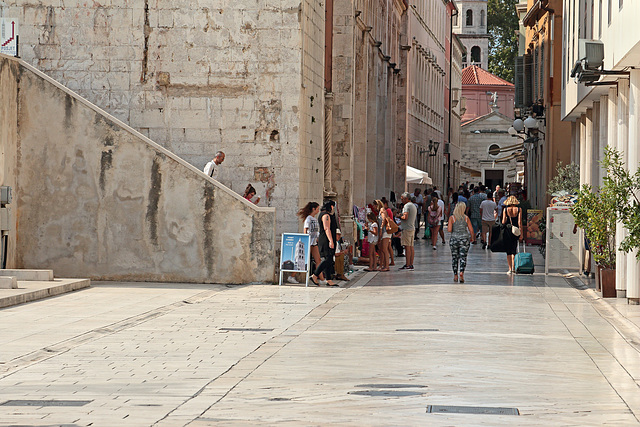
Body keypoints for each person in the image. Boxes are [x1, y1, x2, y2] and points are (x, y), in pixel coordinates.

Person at [310, 201, 339, 286]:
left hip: (327, 239)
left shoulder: (324, 214)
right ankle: (315, 275)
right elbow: (327, 228)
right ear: (331, 207)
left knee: (329, 260)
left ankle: (328, 279)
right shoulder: (326, 215)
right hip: (326, 240)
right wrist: (331, 241)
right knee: (328, 259)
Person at [448, 202, 475, 283]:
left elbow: (449, 230)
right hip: (464, 239)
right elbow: (471, 230)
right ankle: (461, 273)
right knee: (463, 257)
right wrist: (472, 238)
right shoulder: (466, 218)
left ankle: (455, 275)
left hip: (454, 239)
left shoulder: (452, 218)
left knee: (454, 258)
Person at [297, 202, 324, 284]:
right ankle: (292, 275)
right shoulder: (308, 219)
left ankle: (321, 279)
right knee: (302, 259)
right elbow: (306, 229)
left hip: (314, 242)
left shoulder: (315, 219)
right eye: (317, 208)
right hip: (308, 242)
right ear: (313, 209)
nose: (318, 210)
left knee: (318, 260)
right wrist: (305, 239)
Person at [502, 195, 523, 274]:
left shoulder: (505, 209)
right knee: (514, 249)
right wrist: (521, 234)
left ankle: (510, 268)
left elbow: (503, 222)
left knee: (508, 250)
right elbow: (519, 222)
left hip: (508, 230)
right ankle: (514, 268)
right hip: (516, 231)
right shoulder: (519, 209)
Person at [399, 192, 417, 270]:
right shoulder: (413, 205)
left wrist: (399, 216)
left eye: (402, 199)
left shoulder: (406, 206)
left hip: (406, 229)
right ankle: (411, 263)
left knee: (407, 247)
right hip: (412, 228)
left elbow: (405, 217)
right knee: (411, 246)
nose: (401, 200)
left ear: (406, 199)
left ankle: (407, 264)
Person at [375, 200, 392, 272]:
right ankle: (383, 265)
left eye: (374, 205)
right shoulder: (380, 211)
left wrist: (381, 229)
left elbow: (384, 219)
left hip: (385, 231)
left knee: (385, 249)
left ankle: (387, 266)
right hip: (383, 232)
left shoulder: (382, 210)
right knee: (382, 249)